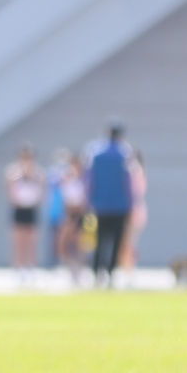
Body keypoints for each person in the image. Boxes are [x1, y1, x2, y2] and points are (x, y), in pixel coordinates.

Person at [85, 121, 133, 286]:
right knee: (116, 241)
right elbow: (128, 182)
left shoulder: (95, 153)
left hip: (100, 205)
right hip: (120, 205)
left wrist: (88, 201)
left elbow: (89, 180)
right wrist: (130, 203)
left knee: (99, 240)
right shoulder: (124, 154)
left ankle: (96, 272)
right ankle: (111, 272)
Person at [4, 144, 44, 283]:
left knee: (32, 241)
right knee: (18, 241)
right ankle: (19, 269)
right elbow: (10, 190)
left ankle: (31, 268)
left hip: (31, 208)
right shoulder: (14, 172)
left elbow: (41, 191)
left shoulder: (38, 172)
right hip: (19, 208)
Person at [56, 153, 87, 280]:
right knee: (63, 242)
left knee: (80, 243)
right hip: (69, 215)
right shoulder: (67, 180)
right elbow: (66, 200)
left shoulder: (84, 180)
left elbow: (84, 200)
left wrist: (78, 215)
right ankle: (69, 267)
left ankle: (80, 269)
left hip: (80, 215)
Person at [118, 148, 147, 271]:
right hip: (137, 210)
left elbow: (132, 193)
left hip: (133, 211)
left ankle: (129, 268)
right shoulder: (139, 170)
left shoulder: (134, 170)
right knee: (129, 242)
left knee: (128, 243)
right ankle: (128, 267)